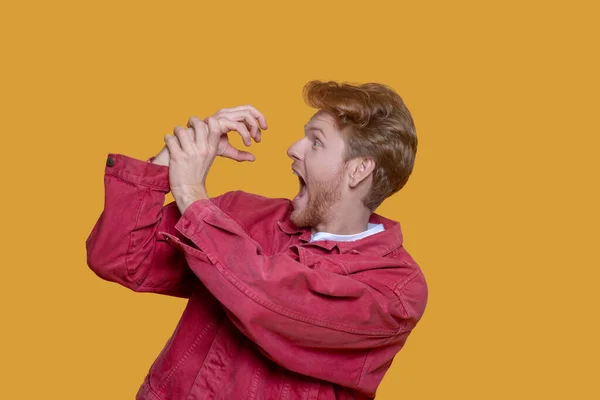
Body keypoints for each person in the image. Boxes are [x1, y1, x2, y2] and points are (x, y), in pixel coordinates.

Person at [86, 80, 428, 400]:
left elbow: (274, 305)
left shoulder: (395, 290)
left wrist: (192, 195)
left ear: (359, 170)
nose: (293, 149)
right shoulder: (241, 214)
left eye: (316, 141)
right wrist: (177, 157)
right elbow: (120, 259)